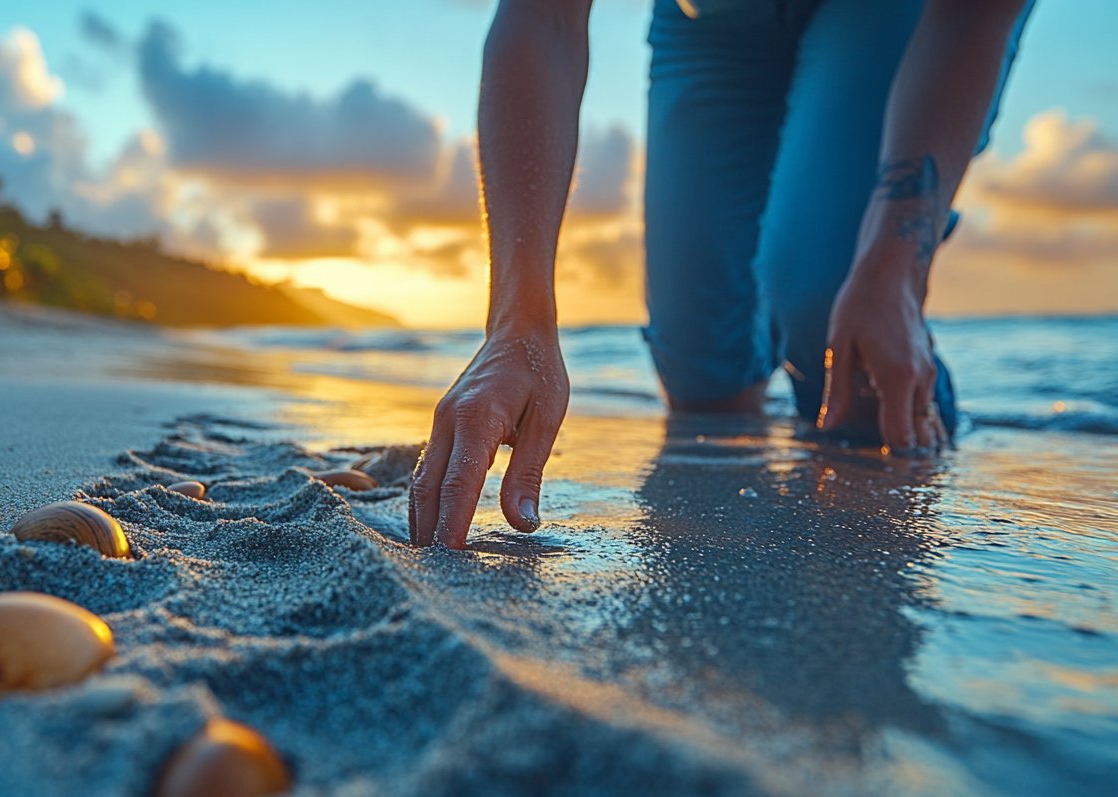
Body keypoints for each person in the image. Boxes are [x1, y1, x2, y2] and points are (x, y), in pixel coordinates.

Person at [408, 0, 1035, 549]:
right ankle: (754, 558)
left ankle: (876, 553)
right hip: (708, 21)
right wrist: (516, 326)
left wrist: (896, 263)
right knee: (701, 364)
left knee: (828, 307)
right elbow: (543, 15)